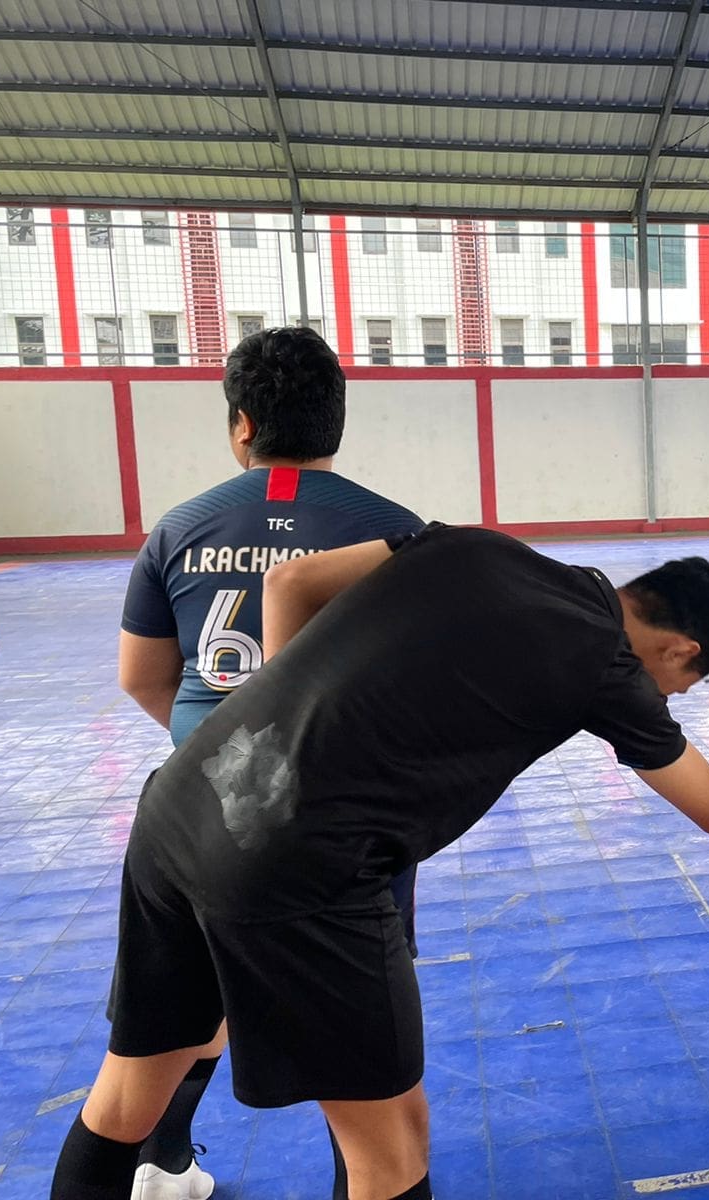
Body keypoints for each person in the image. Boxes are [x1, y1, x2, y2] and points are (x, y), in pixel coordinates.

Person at [50, 525, 709, 1200]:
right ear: (682, 649)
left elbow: (291, 583)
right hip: (300, 866)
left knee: (129, 1093)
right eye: (678, 691)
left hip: (186, 799)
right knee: (394, 1145)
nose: (663, 704)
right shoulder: (605, 661)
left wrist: (294, 728)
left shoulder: (476, 545)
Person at [117, 325, 422, 1200]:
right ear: (336, 423)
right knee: (362, 1044)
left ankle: (161, 1165)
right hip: (338, 826)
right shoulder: (393, 533)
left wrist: (221, 747)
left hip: (196, 820)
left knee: (183, 1008)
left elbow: (145, 679)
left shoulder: (179, 530)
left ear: (241, 423)